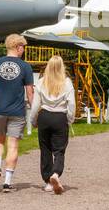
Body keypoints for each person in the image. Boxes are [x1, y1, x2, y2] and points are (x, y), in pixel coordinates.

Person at [0, 34, 34, 193]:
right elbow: (30, 92)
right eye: (23, 47)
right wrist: (34, 111)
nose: (24, 50)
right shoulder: (25, 67)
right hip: (17, 111)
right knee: (13, 145)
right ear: (18, 47)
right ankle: (7, 182)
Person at [29, 55, 76, 193]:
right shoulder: (67, 82)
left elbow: (36, 104)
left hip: (44, 116)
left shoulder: (41, 81)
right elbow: (71, 103)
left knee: (45, 150)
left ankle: (48, 182)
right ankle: (56, 173)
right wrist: (70, 119)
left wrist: (33, 120)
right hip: (60, 117)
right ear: (62, 67)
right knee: (59, 150)